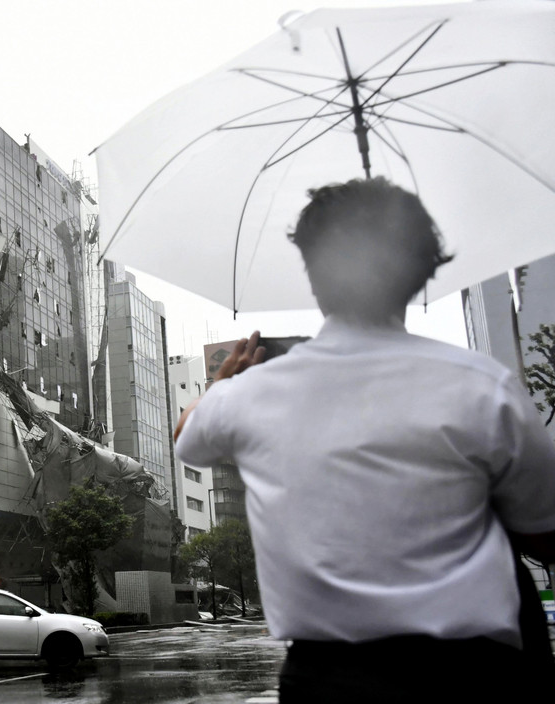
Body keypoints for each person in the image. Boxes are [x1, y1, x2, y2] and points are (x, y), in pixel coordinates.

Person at [173, 177, 555, 702]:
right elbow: (544, 531)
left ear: (313, 272)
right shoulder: (483, 386)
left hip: (326, 678)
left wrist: (222, 385)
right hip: (476, 674)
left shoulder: (251, 394)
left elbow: (185, 439)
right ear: (422, 270)